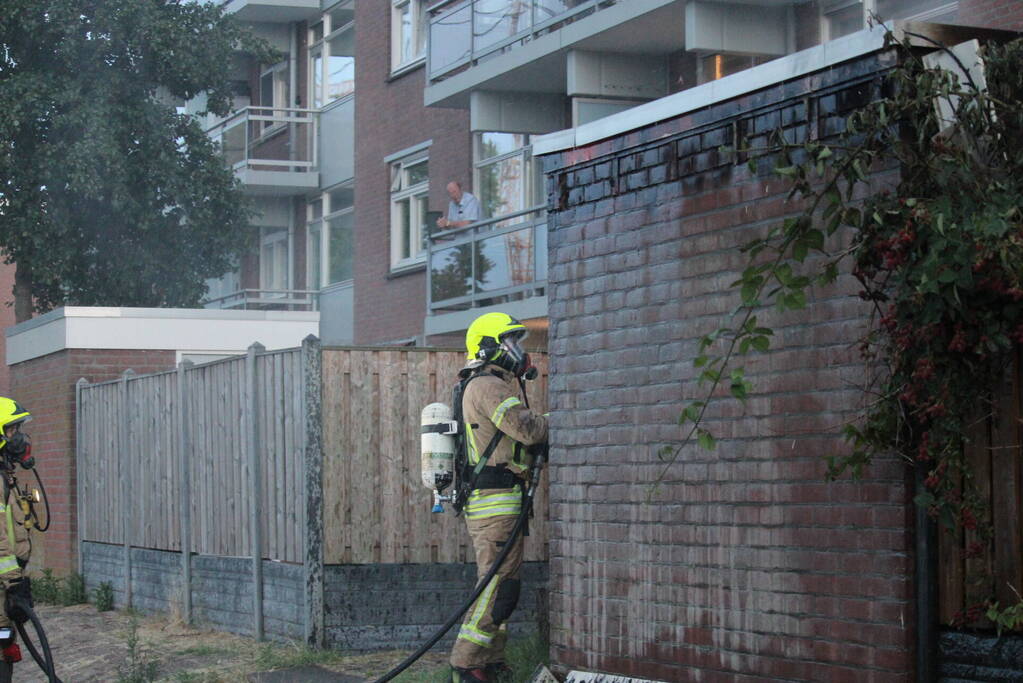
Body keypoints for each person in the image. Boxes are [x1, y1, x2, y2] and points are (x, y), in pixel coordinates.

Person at [450, 313, 548, 683]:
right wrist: (563, 420)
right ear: (488, 347)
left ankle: (489, 662)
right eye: (509, 343)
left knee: (505, 585)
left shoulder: (485, 384)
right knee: (495, 585)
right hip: (496, 501)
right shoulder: (488, 385)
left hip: (501, 498)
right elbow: (527, 429)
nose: (517, 352)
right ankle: (465, 665)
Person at [0, 398, 35, 682]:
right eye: (13, 429)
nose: (20, 436)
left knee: (4, 639)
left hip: (7, 579)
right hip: (3, 579)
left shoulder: (5, 476)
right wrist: (12, 577)